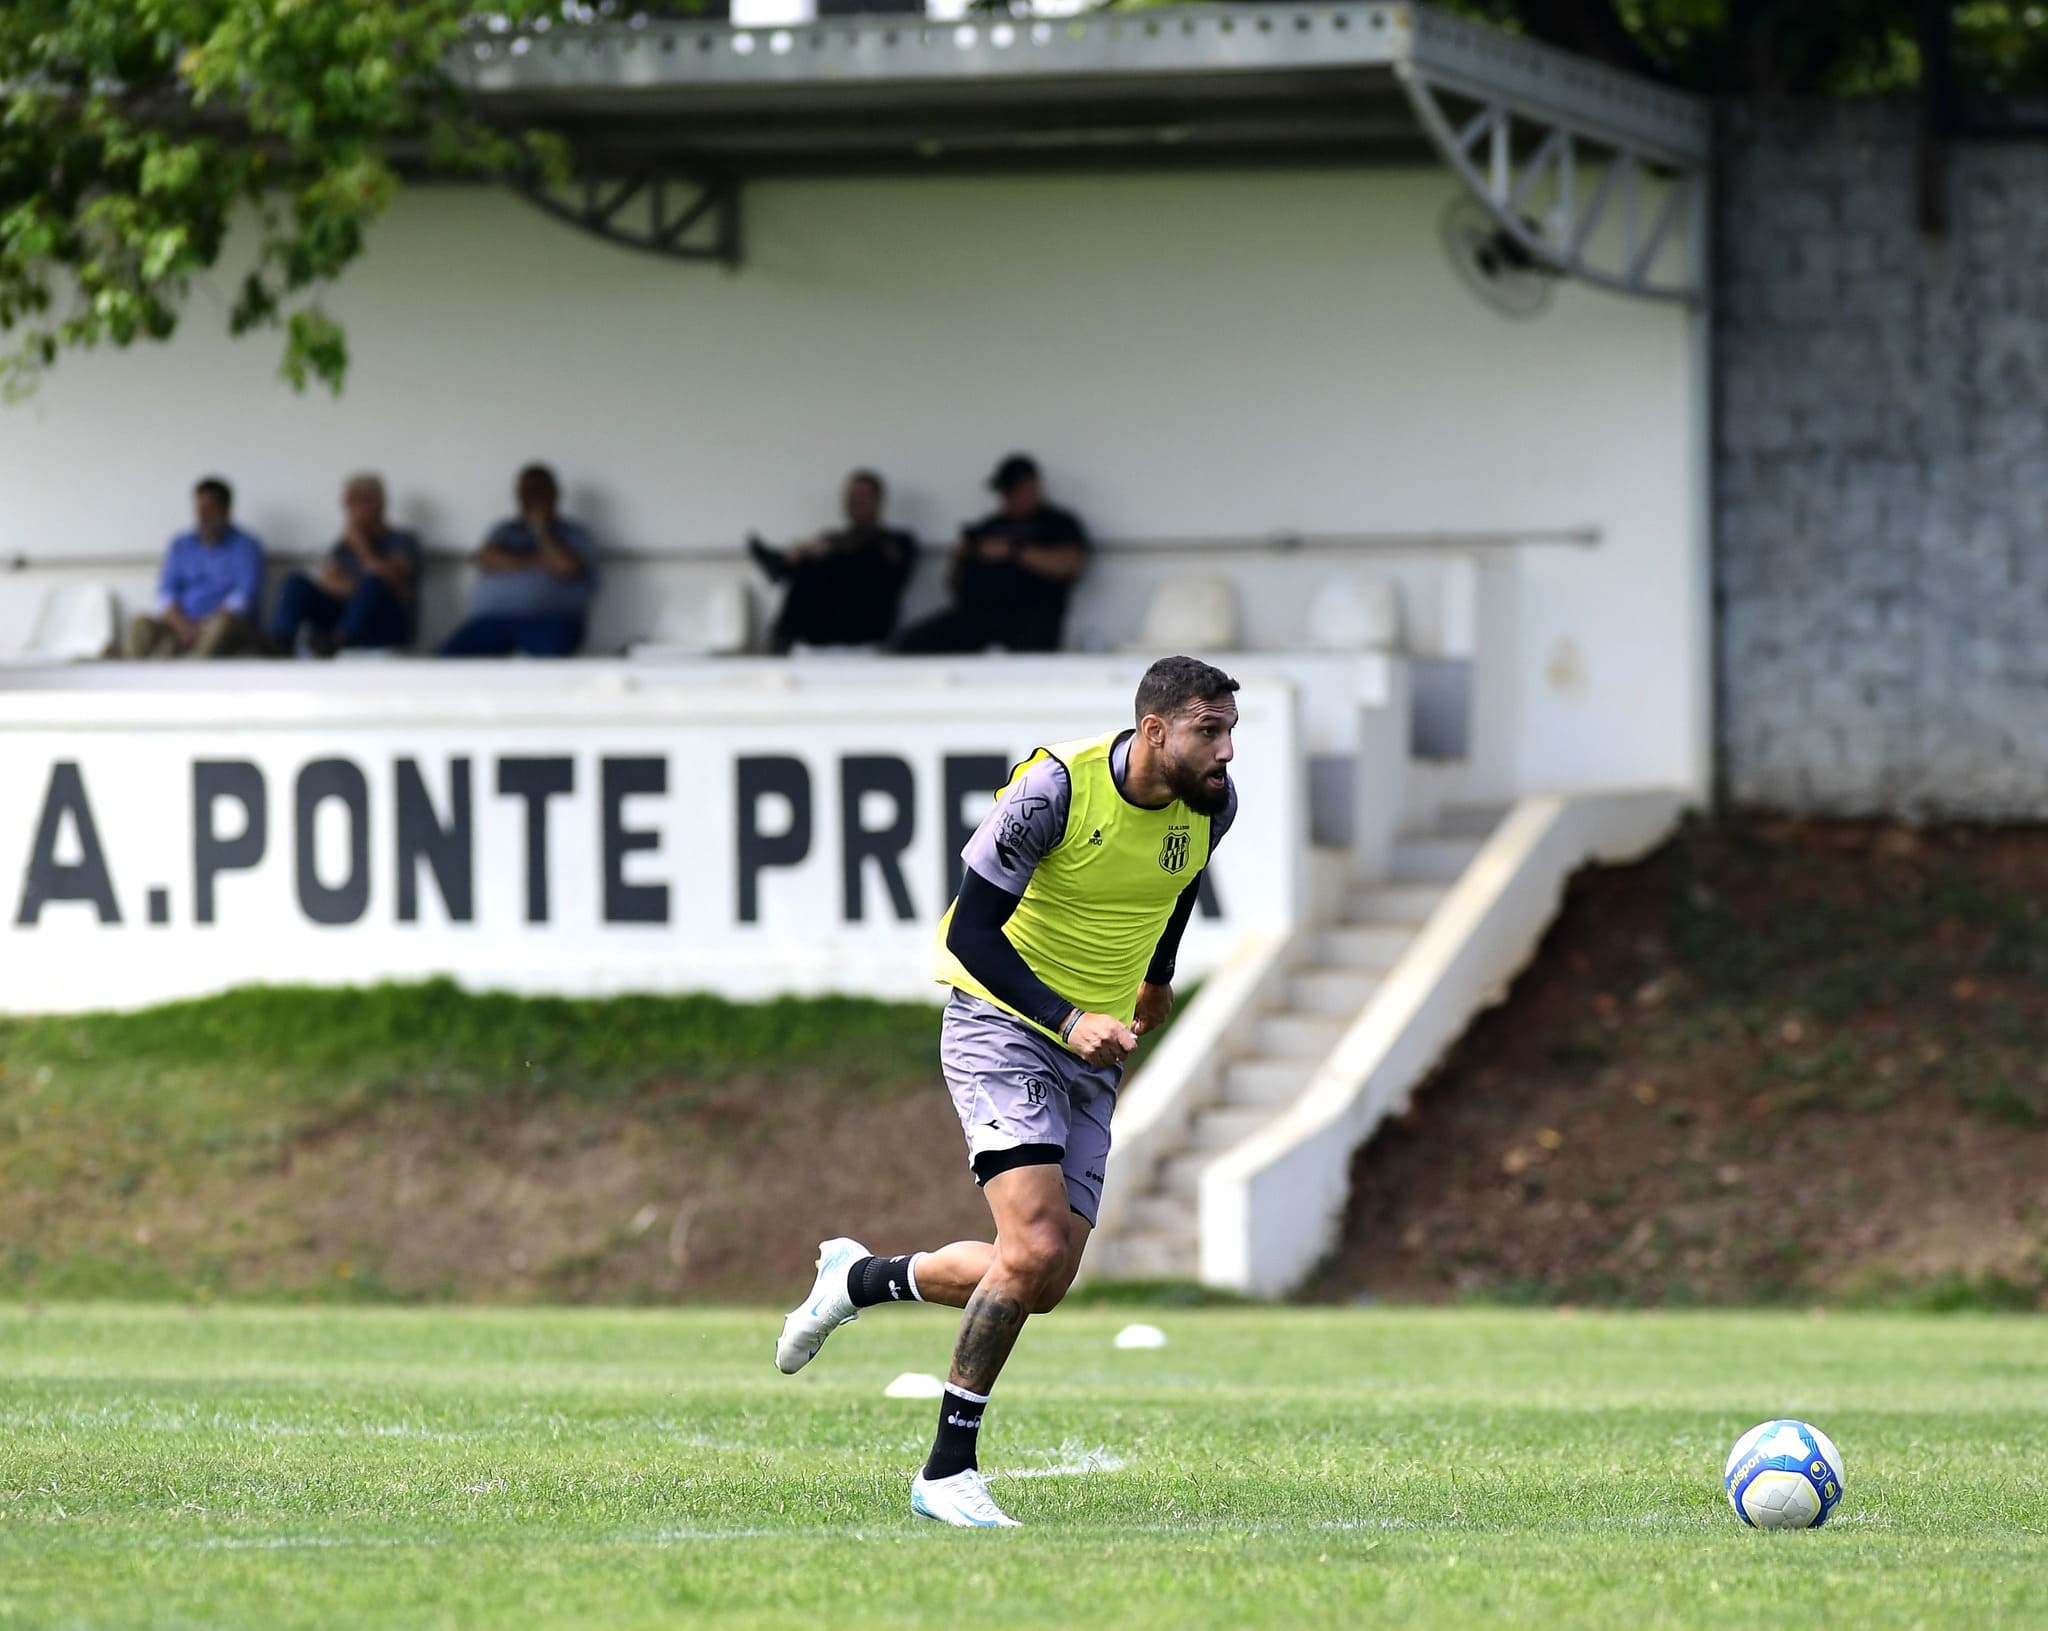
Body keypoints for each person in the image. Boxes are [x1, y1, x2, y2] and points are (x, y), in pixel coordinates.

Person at [774, 654, 1241, 1528]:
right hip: (1005, 1027)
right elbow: (970, 935)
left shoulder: (1212, 806)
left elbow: (1176, 886)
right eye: (1208, 732)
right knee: (1028, 1245)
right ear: (1152, 731)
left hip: (1093, 1049)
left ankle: (860, 1278)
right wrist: (1067, 1019)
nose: (1224, 752)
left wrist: (1157, 978)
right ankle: (946, 1470)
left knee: (1043, 1276)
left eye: (1229, 733)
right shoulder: (1050, 792)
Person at [891, 454, 1089, 654]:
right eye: (1004, 492)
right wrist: (960, 559)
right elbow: (954, 586)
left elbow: (1070, 565)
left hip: (1031, 617)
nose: (1007, 497)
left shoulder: (1059, 523)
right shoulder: (987, 526)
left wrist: (1013, 552)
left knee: (1029, 658)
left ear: (1033, 486)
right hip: (976, 615)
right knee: (910, 643)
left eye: (1013, 490)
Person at [439, 464, 597, 658]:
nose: (530, 496)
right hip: (492, 621)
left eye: (537, 489)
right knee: (447, 659)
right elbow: (486, 559)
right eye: (525, 490)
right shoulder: (503, 530)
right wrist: (540, 561)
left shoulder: (575, 533)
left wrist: (541, 529)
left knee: (549, 661)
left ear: (554, 493)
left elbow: (566, 566)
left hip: (552, 620)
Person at [748, 468, 915, 650]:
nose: (856, 502)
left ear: (878, 501)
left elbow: (885, 569)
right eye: (851, 496)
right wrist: (803, 552)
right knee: (810, 570)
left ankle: (779, 566)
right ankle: (781, 566)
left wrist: (825, 550)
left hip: (866, 624)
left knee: (839, 563)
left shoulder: (898, 541)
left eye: (862, 496)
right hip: (825, 628)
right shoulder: (831, 540)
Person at [269, 473, 420, 656]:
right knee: (295, 582)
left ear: (379, 503)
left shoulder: (402, 540)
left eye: (359, 501)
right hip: (344, 617)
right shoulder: (343, 547)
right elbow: (327, 583)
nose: (352, 509)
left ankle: (338, 640)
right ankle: (281, 641)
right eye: (349, 503)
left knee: (374, 584)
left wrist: (360, 546)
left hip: (385, 625)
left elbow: (391, 583)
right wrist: (359, 590)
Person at [125, 477, 265, 658]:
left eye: (209, 510)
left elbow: (243, 598)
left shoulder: (246, 546)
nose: (202, 516)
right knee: (141, 625)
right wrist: (182, 626)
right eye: (199, 509)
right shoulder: (181, 545)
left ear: (226, 511)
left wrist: (203, 627)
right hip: (181, 625)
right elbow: (166, 594)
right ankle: (134, 681)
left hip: (224, 626)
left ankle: (189, 678)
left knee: (219, 628)